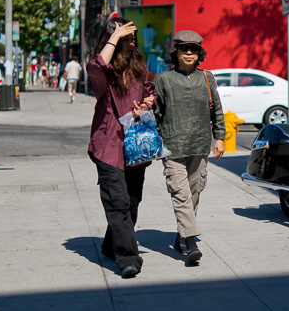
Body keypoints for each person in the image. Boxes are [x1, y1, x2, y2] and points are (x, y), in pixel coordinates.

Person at [87, 14, 156, 278]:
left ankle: (110, 244)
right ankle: (128, 257)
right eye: (124, 39)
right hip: (108, 145)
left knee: (132, 200)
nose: (130, 44)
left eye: (131, 38)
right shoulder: (101, 71)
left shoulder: (138, 67)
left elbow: (150, 91)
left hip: (136, 142)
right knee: (117, 202)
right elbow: (98, 65)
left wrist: (148, 103)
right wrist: (114, 36)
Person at [154, 30, 226, 263]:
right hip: (173, 147)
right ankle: (191, 241)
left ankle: (180, 236)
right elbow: (156, 113)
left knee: (194, 192)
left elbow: (217, 109)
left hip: (199, 146)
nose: (188, 52)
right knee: (181, 194)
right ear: (175, 52)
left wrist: (220, 137)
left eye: (193, 49)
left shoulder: (208, 78)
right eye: (184, 48)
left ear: (199, 53)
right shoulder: (164, 79)